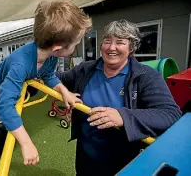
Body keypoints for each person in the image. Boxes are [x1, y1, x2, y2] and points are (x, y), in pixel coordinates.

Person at [57, 19, 182, 176]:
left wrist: (123, 116)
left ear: (132, 47)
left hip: (124, 160)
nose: (111, 47)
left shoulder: (146, 77)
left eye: (120, 42)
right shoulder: (85, 70)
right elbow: (54, 79)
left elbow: (170, 114)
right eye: (107, 41)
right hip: (85, 157)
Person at [0, 0, 92, 166]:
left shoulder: (51, 57)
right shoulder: (20, 66)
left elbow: (48, 75)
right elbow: (4, 107)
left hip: (27, 76)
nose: (75, 48)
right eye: (75, 45)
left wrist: (64, 91)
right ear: (57, 48)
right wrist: (25, 142)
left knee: (28, 91)